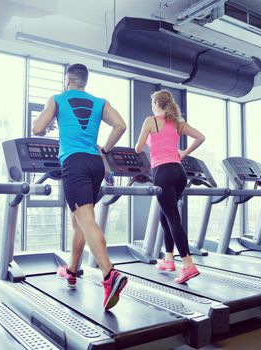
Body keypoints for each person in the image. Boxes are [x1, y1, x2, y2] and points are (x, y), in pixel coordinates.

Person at [32, 63, 128, 310]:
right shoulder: (99, 102)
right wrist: (105, 149)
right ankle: (72, 270)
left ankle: (110, 274)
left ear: (67, 80)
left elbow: (37, 129)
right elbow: (121, 125)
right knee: (80, 221)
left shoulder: (58, 99)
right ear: (85, 81)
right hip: (95, 162)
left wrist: (52, 123)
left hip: (74, 162)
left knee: (85, 220)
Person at [135, 90, 205, 284]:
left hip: (162, 172)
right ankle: (168, 259)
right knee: (164, 216)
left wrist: (148, 143)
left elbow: (138, 148)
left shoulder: (151, 121)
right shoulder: (177, 123)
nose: (151, 107)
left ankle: (188, 264)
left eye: (152, 103)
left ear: (157, 103)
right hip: (179, 172)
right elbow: (201, 137)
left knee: (173, 219)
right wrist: (183, 153)